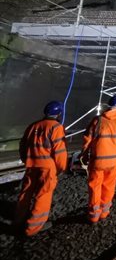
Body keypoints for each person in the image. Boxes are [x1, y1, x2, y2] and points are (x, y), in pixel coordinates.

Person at [14, 101, 67, 236]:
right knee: (43, 194)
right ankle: (33, 227)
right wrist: (61, 168)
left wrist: (27, 160)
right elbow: (59, 151)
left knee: (26, 192)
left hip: (31, 165)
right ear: (59, 113)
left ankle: (18, 220)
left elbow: (23, 145)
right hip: (47, 167)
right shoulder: (56, 127)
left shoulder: (33, 126)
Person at [80, 94, 116, 224]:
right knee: (109, 186)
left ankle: (93, 215)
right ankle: (104, 212)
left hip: (97, 160)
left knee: (95, 186)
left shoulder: (98, 120)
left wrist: (84, 155)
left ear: (108, 106)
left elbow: (87, 139)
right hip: (114, 161)